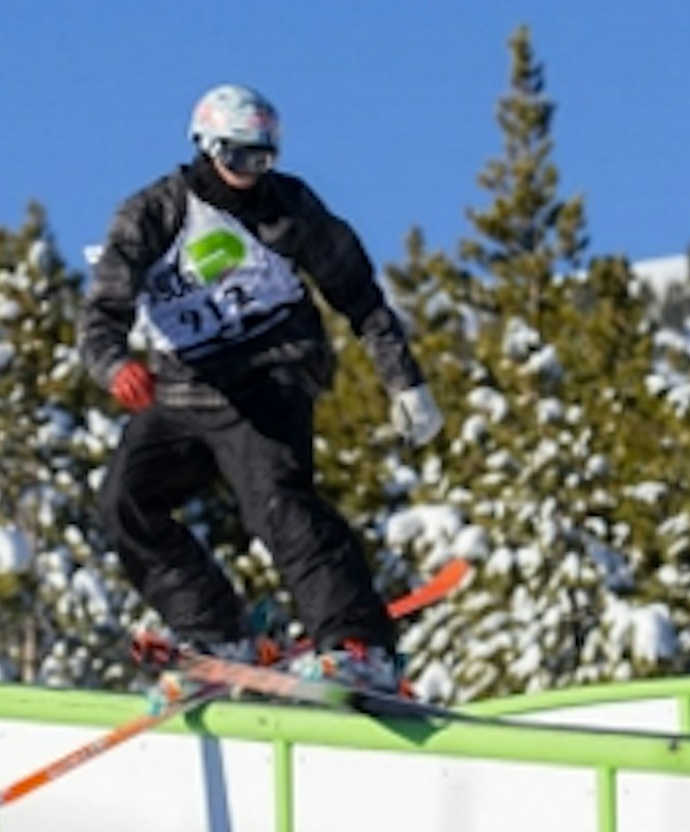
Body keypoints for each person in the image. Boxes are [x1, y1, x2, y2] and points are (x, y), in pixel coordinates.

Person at [80, 83, 444, 693]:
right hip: (187, 385)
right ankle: (216, 629)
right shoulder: (153, 214)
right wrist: (114, 364)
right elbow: (102, 309)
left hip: (272, 367)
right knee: (126, 502)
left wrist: (405, 382)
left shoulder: (291, 208)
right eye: (237, 158)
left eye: (262, 159)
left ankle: (358, 642)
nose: (250, 175)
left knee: (276, 499)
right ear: (206, 148)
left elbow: (359, 295)